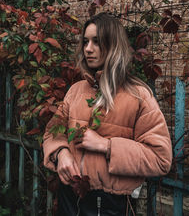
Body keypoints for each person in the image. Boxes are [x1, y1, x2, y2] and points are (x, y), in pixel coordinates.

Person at [43, 12, 172, 216]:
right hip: (70, 194)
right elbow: (52, 132)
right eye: (85, 41)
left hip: (111, 202)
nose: (88, 49)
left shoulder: (138, 96)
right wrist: (61, 153)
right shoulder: (76, 90)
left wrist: (106, 145)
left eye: (97, 41)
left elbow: (160, 159)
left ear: (113, 45)